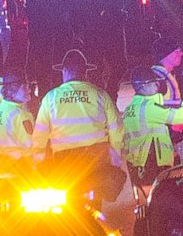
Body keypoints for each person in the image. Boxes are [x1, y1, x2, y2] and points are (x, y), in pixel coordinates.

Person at [30, 51, 125, 201]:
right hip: (97, 159)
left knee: (68, 205)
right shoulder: (100, 94)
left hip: (65, 162)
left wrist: (38, 160)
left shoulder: (51, 97)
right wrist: (115, 156)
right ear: (85, 72)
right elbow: (116, 129)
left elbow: (40, 133)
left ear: (64, 71)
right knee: (96, 199)